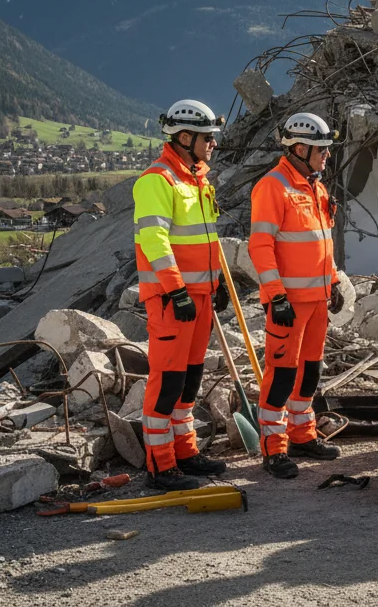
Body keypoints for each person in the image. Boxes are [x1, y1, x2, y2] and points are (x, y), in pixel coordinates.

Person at [133, 99, 229, 490]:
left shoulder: (196, 180)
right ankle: (161, 465)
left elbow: (205, 241)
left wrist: (217, 281)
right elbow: (154, 240)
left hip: (199, 296)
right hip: (173, 299)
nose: (213, 145)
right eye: (208, 138)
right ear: (185, 137)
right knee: (167, 382)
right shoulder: (158, 180)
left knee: (190, 381)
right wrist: (176, 289)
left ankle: (185, 453)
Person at [249, 113, 345, 479]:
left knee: (309, 373)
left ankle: (302, 435)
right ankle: (274, 449)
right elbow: (261, 246)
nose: (327, 156)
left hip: (317, 300)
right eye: (322, 150)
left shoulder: (314, 186)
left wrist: (333, 281)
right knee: (282, 376)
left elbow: (321, 243)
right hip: (288, 304)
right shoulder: (273, 186)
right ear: (301, 148)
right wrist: (276, 296)